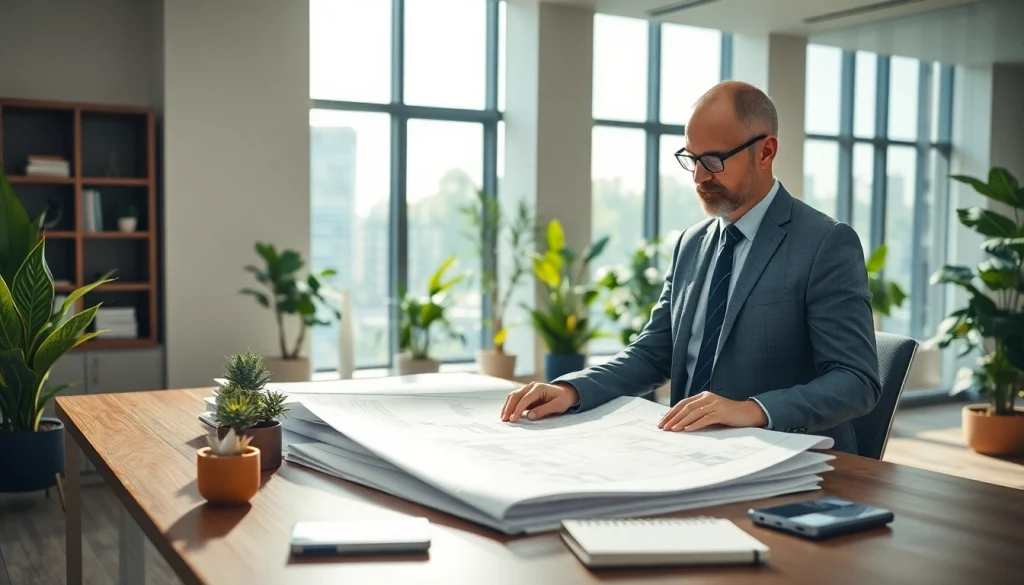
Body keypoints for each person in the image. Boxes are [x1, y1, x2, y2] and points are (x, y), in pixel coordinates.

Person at [500, 81, 880, 454]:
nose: (699, 177)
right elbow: (652, 353)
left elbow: (856, 380)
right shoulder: (691, 244)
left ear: (765, 152)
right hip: (689, 455)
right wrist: (572, 389)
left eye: (713, 161)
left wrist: (752, 410)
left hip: (789, 461)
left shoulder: (824, 243)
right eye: (691, 159)